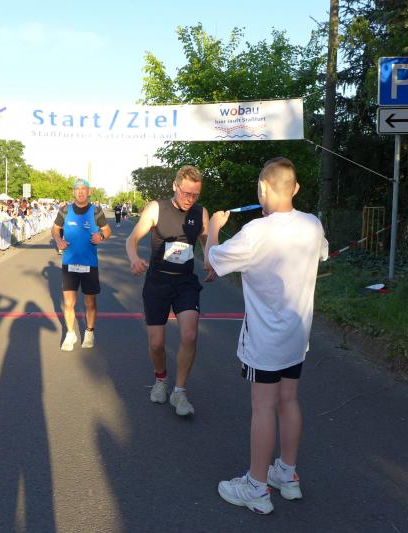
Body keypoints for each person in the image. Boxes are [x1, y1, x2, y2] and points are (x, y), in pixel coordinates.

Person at [204, 157, 328, 515]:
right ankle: (287, 474)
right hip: (297, 335)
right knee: (289, 400)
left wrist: (213, 228)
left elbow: (211, 260)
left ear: (262, 188)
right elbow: (322, 253)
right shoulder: (312, 224)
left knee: (263, 407)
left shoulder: (255, 232)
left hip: (264, 340)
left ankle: (257, 487)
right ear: (296, 188)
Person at [125, 165, 215, 416]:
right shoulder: (156, 208)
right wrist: (134, 258)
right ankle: (161, 380)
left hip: (185, 283)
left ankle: (179, 391)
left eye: (195, 194)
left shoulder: (200, 212)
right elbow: (132, 239)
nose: (190, 199)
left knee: (190, 335)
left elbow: (207, 242)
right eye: (186, 193)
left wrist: (212, 262)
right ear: (175, 186)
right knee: (157, 344)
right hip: (158, 283)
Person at [52, 178, 112, 351]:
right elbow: (55, 229)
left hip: (89, 263)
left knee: (90, 302)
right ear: (74, 192)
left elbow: (107, 230)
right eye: (77, 189)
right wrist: (58, 240)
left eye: (83, 189)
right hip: (69, 263)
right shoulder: (65, 210)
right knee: (68, 302)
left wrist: (101, 236)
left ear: (88, 192)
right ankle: (70, 333)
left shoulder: (96, 211)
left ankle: (89, 331)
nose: (80, 192)